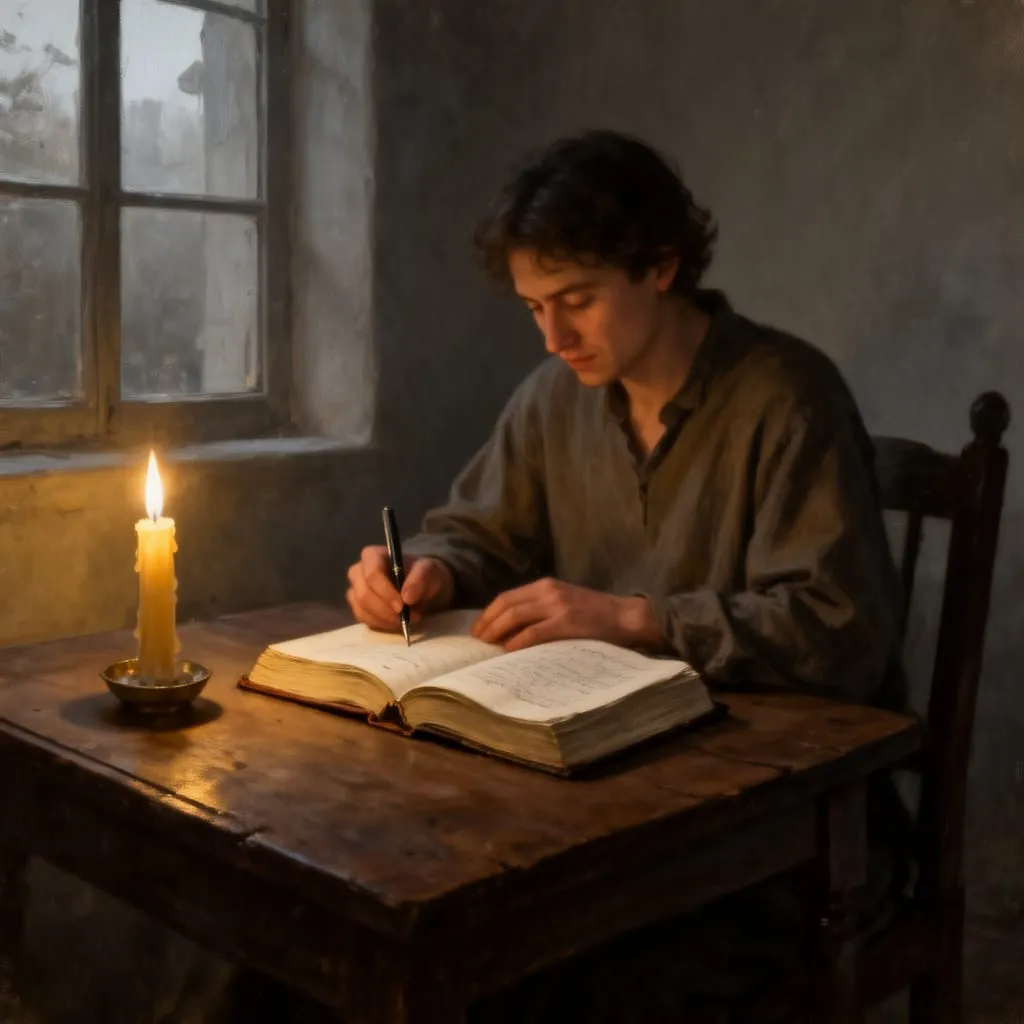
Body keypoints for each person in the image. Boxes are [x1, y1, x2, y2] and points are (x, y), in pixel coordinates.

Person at [345, 130, 913, 1022]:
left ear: (660, 266)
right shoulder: (552, 397)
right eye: (534, 306)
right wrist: (422, 572)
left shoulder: (787, 397)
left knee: (557, 982)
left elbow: (842, 632)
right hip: (607, 809)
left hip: (783, 841)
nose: (553, 334)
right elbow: (476, 534)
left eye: (575, 299)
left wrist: (637, 619)